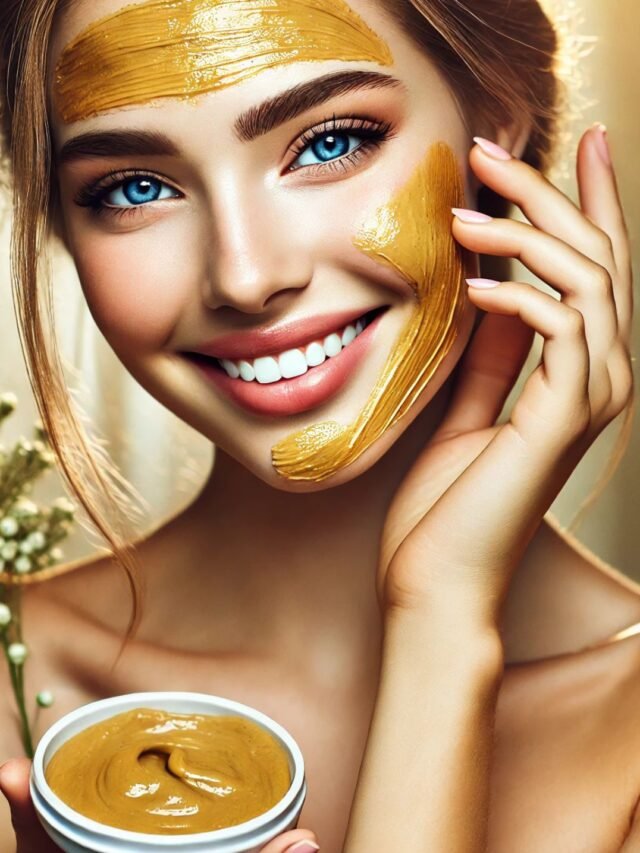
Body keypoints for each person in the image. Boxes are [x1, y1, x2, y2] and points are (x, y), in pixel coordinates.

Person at [0, 0, 637, 850]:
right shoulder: (17, 695)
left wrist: (441, 624)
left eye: (330, 141)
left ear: (498, 117)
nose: (245, 274)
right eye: (135, 187)